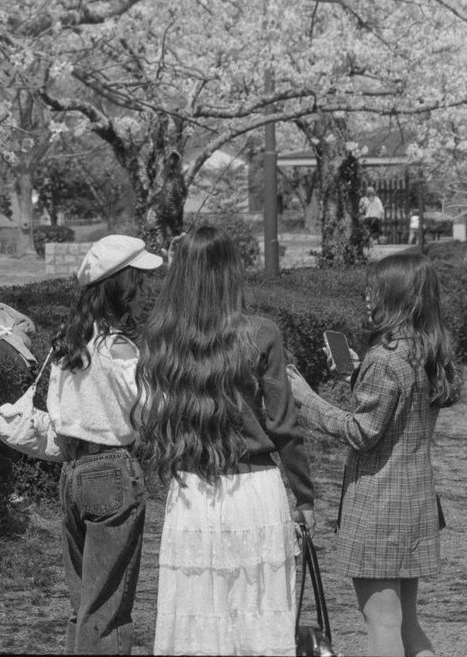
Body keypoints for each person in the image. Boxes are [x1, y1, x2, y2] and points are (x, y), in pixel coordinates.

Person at [135, 226, 315, 656]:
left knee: (196, 620)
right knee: (257, 619)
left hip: (190, 492)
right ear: (232, 271)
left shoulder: (162, 336)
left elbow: (149, 420)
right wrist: (305, 496)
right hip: (254, 489)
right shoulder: (260, 332)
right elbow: (284, 426)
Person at [287, 252, 461, 657]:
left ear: (398, 296)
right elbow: (397, 408)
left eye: (375, 289)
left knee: (381, 622)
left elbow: (361, 432)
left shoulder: (383, 360)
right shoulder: (425, 351)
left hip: (380, 507)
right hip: (416, 503)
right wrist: (354, 374)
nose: (367, 297)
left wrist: (306, 399)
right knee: (406, 623)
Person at [47, 233, 163, 653]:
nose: (146, 292)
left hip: (72, 473)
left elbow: (56, 407)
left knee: (83, 604)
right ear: (123, 287)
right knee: (108, 610)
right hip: (113, 471)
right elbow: (151, 412)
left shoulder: (70, 341)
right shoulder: (119, 348)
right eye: (141, 282)